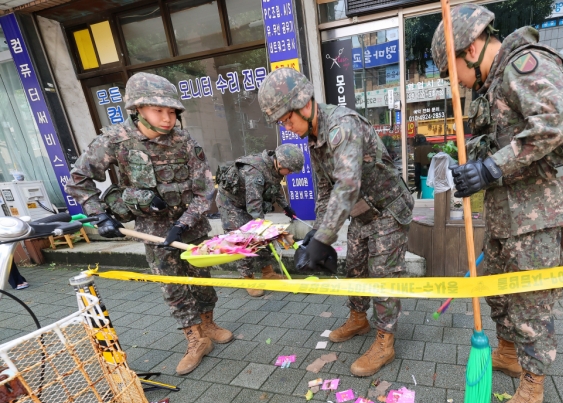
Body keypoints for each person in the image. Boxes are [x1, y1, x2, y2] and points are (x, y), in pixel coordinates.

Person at [431, 4, 563, 403]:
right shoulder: (493, 84)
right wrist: (468, 163)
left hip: (536, 217)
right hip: (504, 216)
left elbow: (557, 122)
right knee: (499, 294)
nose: (453, 81)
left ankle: (533, 386)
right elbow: (499, 138)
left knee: (532, 307)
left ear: (473, 47)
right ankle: (509, 355)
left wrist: (490, 168)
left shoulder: (524, 65)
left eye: (452, 70)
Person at [65, 72, 233, 376]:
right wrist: (99, 215)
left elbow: (205, 189)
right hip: (152, 230)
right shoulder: (116, 140)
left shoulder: (185, 141)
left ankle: (208, 324)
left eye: (172, 112)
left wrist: (183, 224)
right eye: (159, 110)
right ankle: (195, 340)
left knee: (202, 280)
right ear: (138, 109)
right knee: (173, 286)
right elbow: (78, 180)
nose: (167, 118)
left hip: (190, 228)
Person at [258, 68, 414, 377]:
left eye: (287, 119)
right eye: (282, 123)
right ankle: (358, 318)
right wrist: (317, 231)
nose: (287, 128)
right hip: (360, 212)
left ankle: (385, 340)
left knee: (382, 275)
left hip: (387, 209)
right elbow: (327, 190)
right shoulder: (314, 138)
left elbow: (347, 185)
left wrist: (322, 240)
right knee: (354, 265)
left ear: (303, 104)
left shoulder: (342, 127)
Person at [216, 144, 304, 297]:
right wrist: (265, 229)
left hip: (248, 201)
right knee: (243, 240)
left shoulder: (273, 167)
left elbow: (274, 188)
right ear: (280, 163)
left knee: (262, 236)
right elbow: (254, 208)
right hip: (231, 204)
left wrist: (286, 207)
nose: (289, 173)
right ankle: (248, 278)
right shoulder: (254, 173)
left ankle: (268, 272)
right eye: (289, 170)